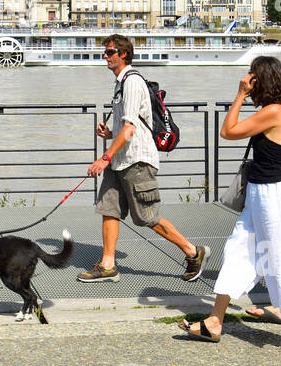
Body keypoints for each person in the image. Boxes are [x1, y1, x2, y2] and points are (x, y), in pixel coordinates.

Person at [182, 56, 281, 352]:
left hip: (275, 197)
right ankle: (215, 322)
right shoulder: (274, 112)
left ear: (262, 80)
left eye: (252, 77)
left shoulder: (274, 112)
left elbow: (228, 131)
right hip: (263, 195)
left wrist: (240, 94)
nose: (248, 81)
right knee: (237, 251)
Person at [78, 34, 206, 283]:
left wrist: (104, 157)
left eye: (110, 52)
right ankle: (107, 265)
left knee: (147, 217)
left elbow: (130, 129)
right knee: (109, 210)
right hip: (120, 160)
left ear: (123, 54)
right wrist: (110, 134)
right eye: (105, 52)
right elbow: (127, 126)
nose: (105, 56)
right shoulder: (120, 84)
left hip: (136, 161)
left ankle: (193, 252)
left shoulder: (133, 82)